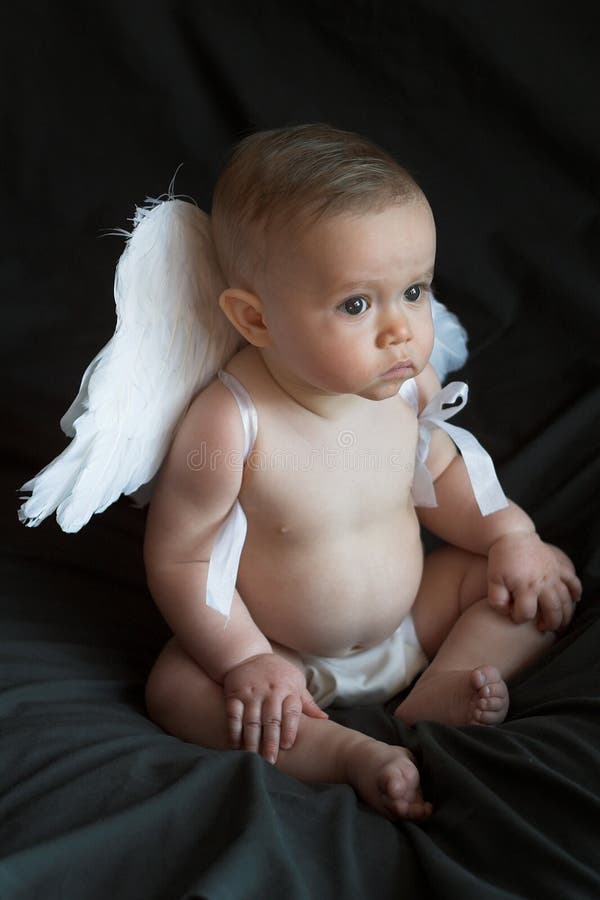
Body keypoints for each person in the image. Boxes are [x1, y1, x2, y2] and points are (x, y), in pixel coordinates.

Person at [142, 124, 581, 821]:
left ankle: (441, 687)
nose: (400, 329)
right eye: (356, 304)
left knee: (535, 581)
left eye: (414, 290)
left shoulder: (407, 387)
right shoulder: (230, 423)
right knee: (176, 688)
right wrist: (243, 659)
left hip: (410, 622)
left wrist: (511, 536)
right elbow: (181, 555)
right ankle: (344, 753)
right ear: (255, 319)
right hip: (283, 653)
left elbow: (442, 476)